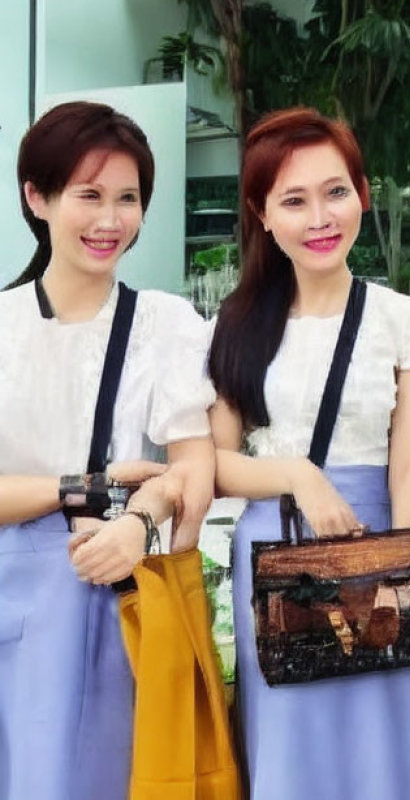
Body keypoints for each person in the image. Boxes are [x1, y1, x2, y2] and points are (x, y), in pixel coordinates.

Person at [208, 107, 410, 800]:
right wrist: (295, 475)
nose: (320, 217)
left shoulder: (406, 321)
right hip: (277, 556)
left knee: (392, 754)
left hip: (381, 554)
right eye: (294, 200)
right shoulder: (233, 327)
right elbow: (214, 465)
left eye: (335, 192)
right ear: (262, 213)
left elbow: (409, 471)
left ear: (362, 194)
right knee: (294, 751)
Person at [0, 101, 216, 800]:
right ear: (38, 197)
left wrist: (138, 519)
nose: (109, 220)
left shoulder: (165, 325)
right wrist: (88, 488)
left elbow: (192, 466)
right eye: (88, 195)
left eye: (128, 198)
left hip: (117, 592)